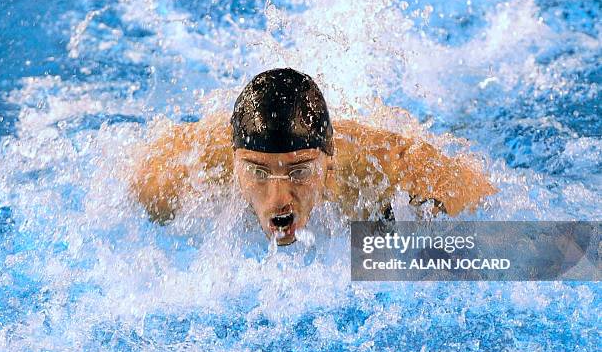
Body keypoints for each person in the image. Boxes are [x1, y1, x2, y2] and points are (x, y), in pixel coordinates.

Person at [130, 68, 497, 246]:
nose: (278, 200)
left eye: (299, 171)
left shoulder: (378, 172)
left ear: (329, 165)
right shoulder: (176, 179)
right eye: (258, 172)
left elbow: (485, 201)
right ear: (234, 165)